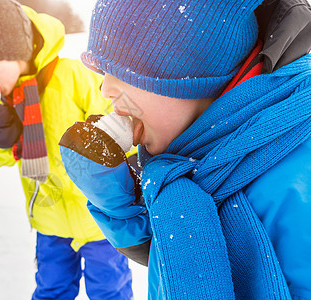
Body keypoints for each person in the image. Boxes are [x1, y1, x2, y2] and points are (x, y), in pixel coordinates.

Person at [59, 0, 311, 299]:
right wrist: (119, 201)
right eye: (103, 71)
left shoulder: (296, 185)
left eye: (125, 71)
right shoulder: (196, 160)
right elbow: (179, 257)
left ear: (194, 75)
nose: (105, 89)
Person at [0, 0, 134, 299]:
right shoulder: (5, 99)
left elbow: (120, 122)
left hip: (99, 220)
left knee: (109, 290)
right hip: (50, 220)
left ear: (18, 51)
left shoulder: (71, 76)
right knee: (51, 289)